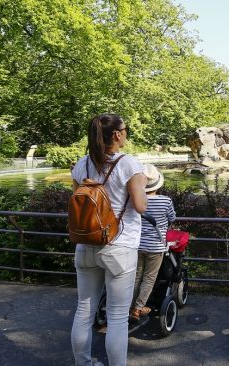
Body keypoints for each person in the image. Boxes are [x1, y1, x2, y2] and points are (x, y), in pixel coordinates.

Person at [70, 113, 147, 366]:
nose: (126, 133)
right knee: (116, 317)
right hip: (119, 246)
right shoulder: (129, 164)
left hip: (86, 244)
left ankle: (83, 363)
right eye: (126, 129)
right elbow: (141, 206)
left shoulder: (82, 164)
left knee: (83, 311)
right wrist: (142, 183)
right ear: (116, 135)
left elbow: (79, 204)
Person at [130, 164, 176, 321]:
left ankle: (129, 306)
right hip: (156, 246)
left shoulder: (135, 200)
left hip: (137, 245)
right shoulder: (165, 201)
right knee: (149, 278)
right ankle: (138, 308)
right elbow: (172, 218)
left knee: (136, 277)